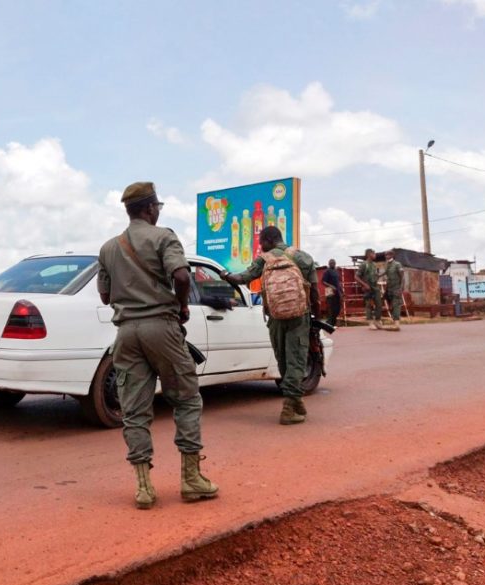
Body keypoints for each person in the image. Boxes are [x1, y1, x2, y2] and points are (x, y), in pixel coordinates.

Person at [97, 182, 219, 510]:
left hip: (126, 333)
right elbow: (181, 277)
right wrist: (181, 306)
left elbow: (105, 295)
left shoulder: (108, 248)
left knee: (134, 410)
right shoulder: (164, 236)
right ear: (151, 208)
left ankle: (144, 488)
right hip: (161, 328)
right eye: (157, 207)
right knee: (187, 399)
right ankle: (192, 479)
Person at [220, 226, 319, 425]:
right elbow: (315, 293)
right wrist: (314, 319)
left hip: (275, 317)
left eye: (261, 241)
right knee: (296, 359)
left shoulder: (264, 260)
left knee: (283, 359)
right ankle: (291, 408)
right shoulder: (303, 258)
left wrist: (224, 274)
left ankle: (293, 403)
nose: (260, 246)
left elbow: (241, 278)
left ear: (267, 240)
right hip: (300, 316)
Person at [356, 248, 383, 330]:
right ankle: (370, 322)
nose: (375, 255)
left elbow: (375, 275)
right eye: (373, 253)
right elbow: (356, 276)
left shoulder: (374, 264)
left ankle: (377, 320)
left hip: (375, 287)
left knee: (379, 304)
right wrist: (364, 285)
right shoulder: (364, 264)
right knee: (369, 306)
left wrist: (378, 277)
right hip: (368, 288)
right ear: (369, 254)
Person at [383, 249, 404, 331]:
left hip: (396, 288)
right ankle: (394, 323)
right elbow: (386, 275)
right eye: (386, 255)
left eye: (388, 255)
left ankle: (397, 325)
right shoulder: (387, 265)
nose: (387, 256)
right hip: (389, 289)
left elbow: (402, 276)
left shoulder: (397, 264)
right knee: (391, 307)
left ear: (392, 255)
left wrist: (401, 288)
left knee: (396, 306)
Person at [321, 258, 343, 326]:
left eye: (333, 263)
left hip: (337, 292)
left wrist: (342, 291)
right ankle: (330, 323)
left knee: (338, 307)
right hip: (330, 292)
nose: (332, 264)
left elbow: (338, 282)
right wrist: (331, 286)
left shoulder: (336, 271)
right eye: (331, 263)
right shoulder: (327, 271)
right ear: (329, 264)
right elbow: (323, 281)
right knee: (330, 308)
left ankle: (333, 321)